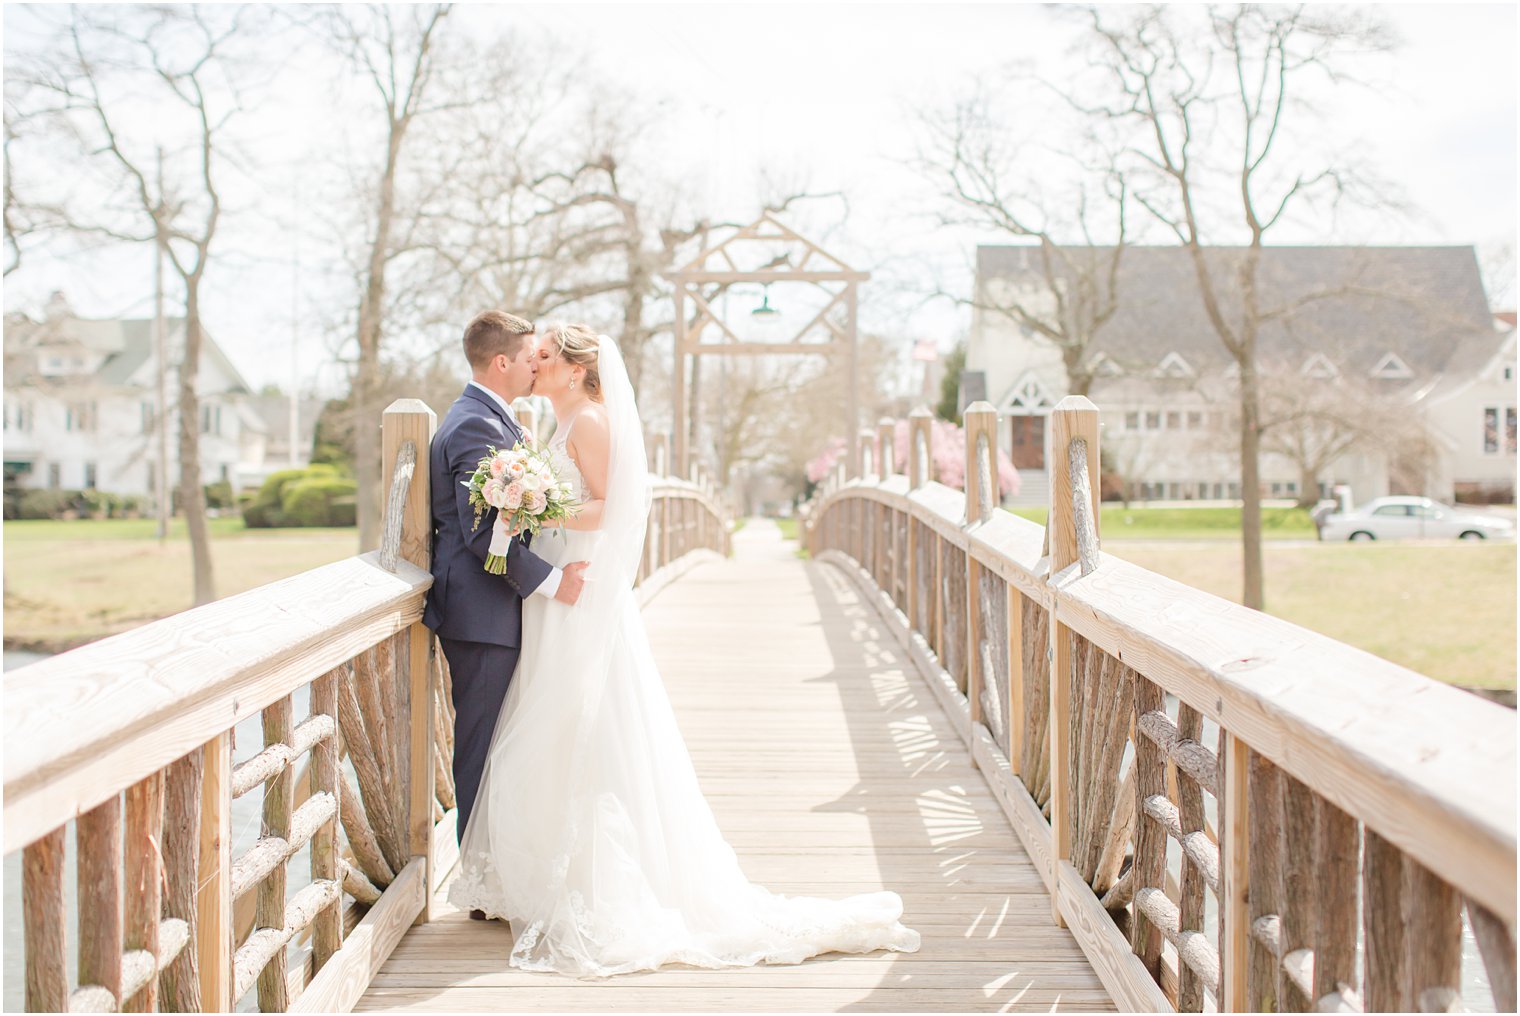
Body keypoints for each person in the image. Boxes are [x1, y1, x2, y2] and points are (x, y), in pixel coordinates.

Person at [447, 322, 920, 977]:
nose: (537, 365)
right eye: (534, 356)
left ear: (581, 371)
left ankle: (593, 881)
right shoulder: (553, 428)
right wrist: (527, 506)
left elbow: (612, 508)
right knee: (547, 725)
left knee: (587, 724)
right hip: (555, 594)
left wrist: (538, 508)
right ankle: (540, 875)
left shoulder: (589, 422)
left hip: (576, 590)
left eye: (548, 357)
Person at [422, 310, 590, 899]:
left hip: (494, 609)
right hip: (481, 613)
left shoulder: (495, 420)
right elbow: (480, 531)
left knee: (499, 747)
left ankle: (497, 876)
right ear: (502, 362)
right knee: (481, 749)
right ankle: (481, 883)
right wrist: (551, 582)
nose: (534, 365)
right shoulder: (474, 425)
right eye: (527, 358)